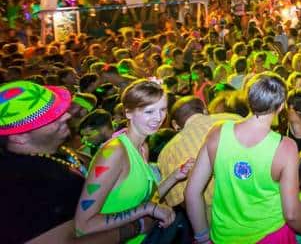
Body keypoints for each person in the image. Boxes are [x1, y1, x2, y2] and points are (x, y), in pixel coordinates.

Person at [185, 73, 301, 243]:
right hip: (270, 236)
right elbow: (292, 214)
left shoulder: (218, 133)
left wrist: (202, 236)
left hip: (224, 236)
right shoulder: (285, 147)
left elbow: (192, 192)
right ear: (281, 106)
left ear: (249, 100)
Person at [0, 80, 134, 243]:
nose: (67, 115)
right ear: (18, 137)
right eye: (50, 117)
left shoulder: (52, 151)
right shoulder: (22, 185)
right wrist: (135, 227)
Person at [75, 79, 189, 243]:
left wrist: (175, 176)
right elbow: (83, 225)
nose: (158, 118)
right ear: (128, 112)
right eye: (149, 111)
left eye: (163, 109)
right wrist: (147, 209)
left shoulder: (143, 147)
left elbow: (145, 199)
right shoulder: (114, 153)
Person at [157, 96, 240, 211]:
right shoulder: (235, 119)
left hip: (217, 214)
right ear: (205, 110)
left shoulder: (168, 152)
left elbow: (181, 201)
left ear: (175, 124)